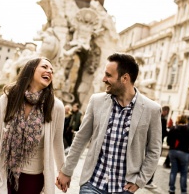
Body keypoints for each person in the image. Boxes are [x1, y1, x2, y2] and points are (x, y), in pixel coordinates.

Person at [56, 53, 162, 193]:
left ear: (125, 78)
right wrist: (66, 171)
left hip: (123, 189)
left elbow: (154, 150)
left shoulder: (152, 109)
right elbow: (81, 138)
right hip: (92, 184)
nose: (103, 79)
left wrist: (140, 181)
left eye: (108, 75)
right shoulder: (96, 101)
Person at [0, 57, 65, 194]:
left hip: (33, 181)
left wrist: (64, 172)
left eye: (52, 70)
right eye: (45, 67)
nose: (49, 71)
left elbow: (57, 143)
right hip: (4, 173)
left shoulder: (56, 107)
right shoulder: (8, 99)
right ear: (30, 69)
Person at [167, 115, 189, 194]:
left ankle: (171, 189)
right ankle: (183, 191)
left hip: (173, 151)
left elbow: (168, 140)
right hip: (184, 152)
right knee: (183, 172)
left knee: (173, 171)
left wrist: (172, 145)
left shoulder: (173, 128)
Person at [145, 105, 170, 189]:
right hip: (157, 143)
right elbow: (161, 132)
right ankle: (148, 181)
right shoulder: (163, 120)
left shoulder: (155, 117)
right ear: (165, 111)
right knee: (153, 161)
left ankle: (146, 180)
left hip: (149, 142)